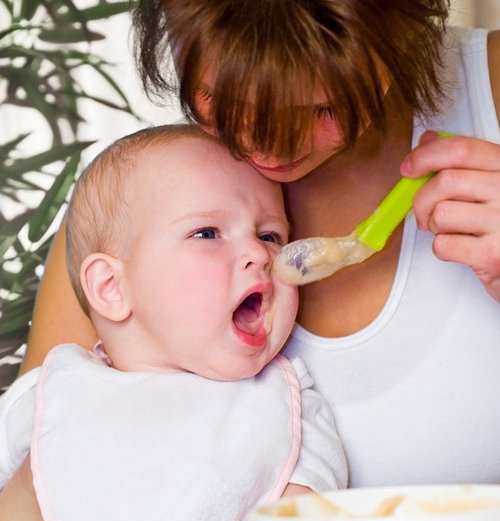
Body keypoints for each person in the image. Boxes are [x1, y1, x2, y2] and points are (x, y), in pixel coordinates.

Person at [19, 2, 500, 483]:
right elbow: (32, 501)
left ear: (400, 34)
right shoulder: (131, 210)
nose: (268, 146)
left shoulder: (487, 93)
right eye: (219, 98)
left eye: (321, 108)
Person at [0, 124, 347, 521]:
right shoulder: (49, 401)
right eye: (206, 232)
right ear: (111, 288)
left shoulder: (288, 409)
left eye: (270, 235)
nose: (258, 255)